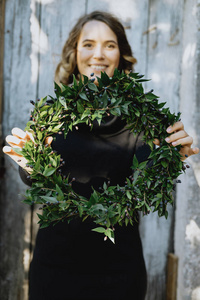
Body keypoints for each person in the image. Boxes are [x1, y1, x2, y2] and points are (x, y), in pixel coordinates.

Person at [3, 11, 199, 300]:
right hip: (55, 269)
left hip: (118, 273)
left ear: (121, 55)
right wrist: (31, 164)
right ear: (75, 52)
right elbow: (34, 178)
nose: (99, 54)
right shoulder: (51, 117)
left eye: (109, 45)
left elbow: (145, 185)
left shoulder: (143, 123)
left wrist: (171, 158)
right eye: (88, 44)